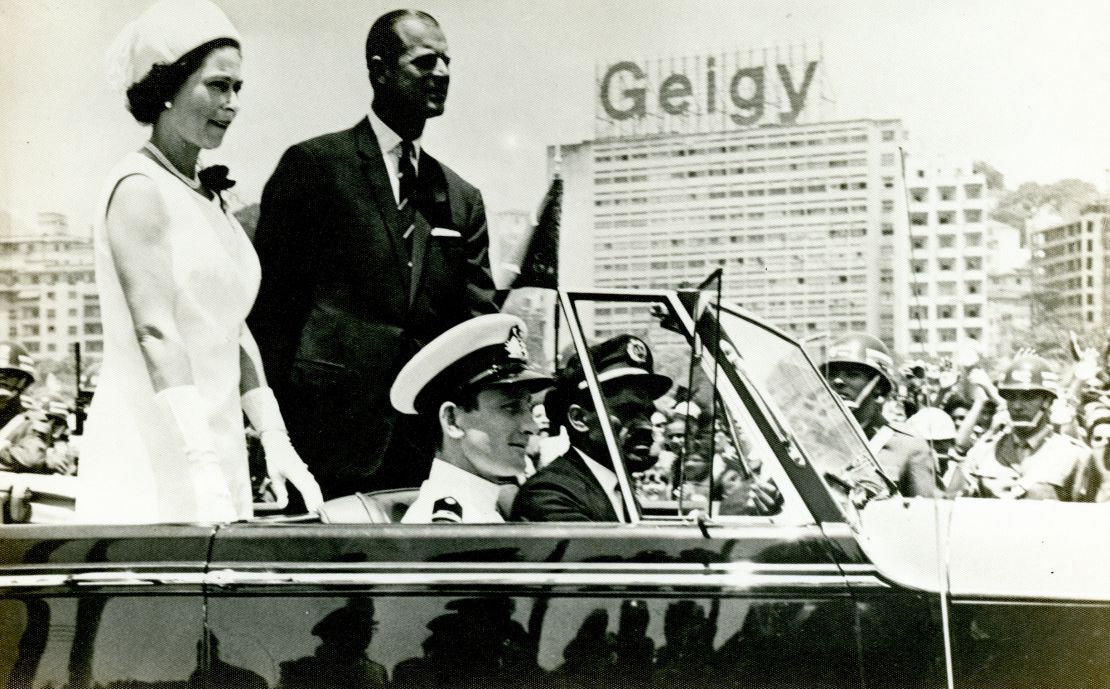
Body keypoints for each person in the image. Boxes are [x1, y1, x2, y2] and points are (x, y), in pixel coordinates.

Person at [79, 0, 322, 523]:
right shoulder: (139, 189)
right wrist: (199, 461)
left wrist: (276, 440)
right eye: (217, 86)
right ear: (166, 85)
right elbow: (155, 331)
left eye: (238, 89)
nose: (231, 103)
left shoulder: (211, 199)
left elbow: (231, 329)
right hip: (152, 457)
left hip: (219, 453)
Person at [247, 9, 497, 501]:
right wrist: (272, 434)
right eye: (425, 62)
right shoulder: (314, 168)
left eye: (447, 61)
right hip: (320, 443)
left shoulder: (462, 198)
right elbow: (272, 314)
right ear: (380, 69)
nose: (442, 73)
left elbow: (474, 330)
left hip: (425, 451)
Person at [390, 314, 552, 523]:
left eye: (529, 407)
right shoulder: (447, 527)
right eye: (510, 407)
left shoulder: (482, 510)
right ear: (452, 421)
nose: (531, 426)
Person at [821, 334, 936, 497]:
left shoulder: (908, 446)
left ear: (878, 386)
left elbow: (925, 515)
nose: (838, 381)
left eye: (852, 374)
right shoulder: (812, 441)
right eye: (831, 374)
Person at [963, 355, 1090, 501]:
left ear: (1047, 401)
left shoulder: (1074, 455)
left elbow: (1088, 516)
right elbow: (960, 508)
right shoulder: (982, 452)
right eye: (1011, 397)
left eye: (1028, 397)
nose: (1017, 406)